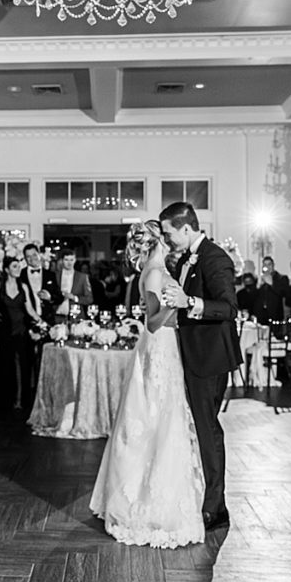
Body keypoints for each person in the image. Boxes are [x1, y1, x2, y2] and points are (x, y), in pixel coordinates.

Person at [90, 221, 205, 547]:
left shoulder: (159, 269)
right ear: (159, 241)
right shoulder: (154, 272)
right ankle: (142, 502)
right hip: (157, 349)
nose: (171, 241)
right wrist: (176, 306)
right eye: (166, 237)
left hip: (167, 349)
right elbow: (152, 323)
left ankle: (158, 494)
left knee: (164, 421)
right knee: (154, 421)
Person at [159, 202, 241, 531]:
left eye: (169, 233)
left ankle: (216, 508)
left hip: (209, 359)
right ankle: (206, 496)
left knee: (208, 430)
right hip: (195, 354)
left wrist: (189, 302)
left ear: (186, 229)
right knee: (201, 428)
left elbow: (229, 307)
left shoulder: (214, 257)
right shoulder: (190, 257)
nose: (167, 240)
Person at [0, 256, 45, 412]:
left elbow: (29, 309)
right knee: (6, 364)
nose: (18, 269)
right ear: (7, 269)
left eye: (18, 266)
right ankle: (6, 401)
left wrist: (41, 321)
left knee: (22, 364)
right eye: (14, 266)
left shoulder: (23, 287)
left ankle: (21, 400)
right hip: (4, 329)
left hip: (21, 329)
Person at [54, 249, 93, 322]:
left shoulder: (82, 277)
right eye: (66, 260)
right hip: (58, 315)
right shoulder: (55, 275)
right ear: (62, 260)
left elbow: (89, 299)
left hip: (77, 316)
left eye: (71, 260)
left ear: (75, 260)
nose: (69, 263)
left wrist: (74, 298)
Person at [254, 255, 289, 325]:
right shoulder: (260, 279)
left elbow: (284, 293)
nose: (267, 267)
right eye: (265, 265)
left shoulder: (281, 278)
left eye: (269, 264)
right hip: (261, 315)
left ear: (273, 266)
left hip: (275, 314)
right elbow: (254, 298)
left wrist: (272, 284)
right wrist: (257, 286)